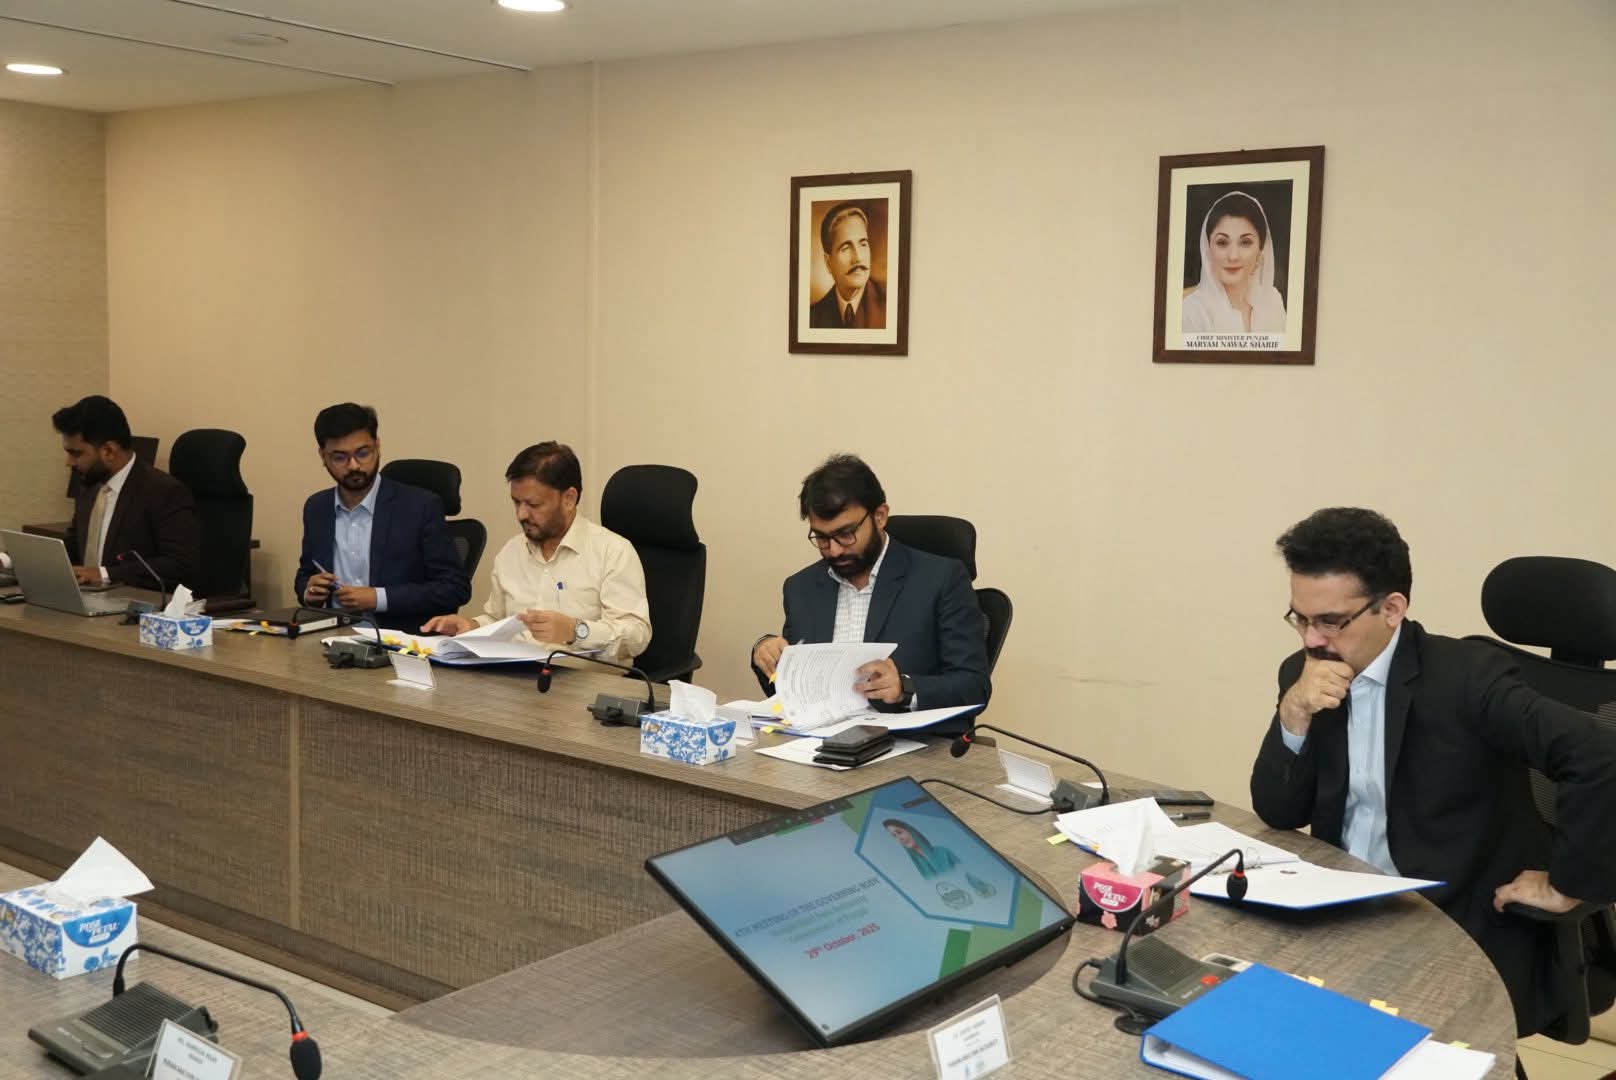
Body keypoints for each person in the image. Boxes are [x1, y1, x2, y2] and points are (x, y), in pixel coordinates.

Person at [1251, 507, 1616, 1036]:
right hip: (1343, 908)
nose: (1311, 639)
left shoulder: (1467, 679)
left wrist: (1568, 884)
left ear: (1392, 608)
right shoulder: (1306, 674)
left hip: (1452, 919)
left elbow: (1601, 753)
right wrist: (1294, 713)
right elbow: (1279, 810)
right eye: (1300, 618)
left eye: (1330, 621)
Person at [749, 454, 990, 718]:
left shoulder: (941, 579)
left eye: (846, 534)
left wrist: (905, 688)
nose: (834, 550)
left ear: (880, 516)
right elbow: (790, 693)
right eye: (822, 537)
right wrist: (767, 654)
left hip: (907, 737)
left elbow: (974, 686)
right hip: (822, 738)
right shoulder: (801, 588)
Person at [421, 442, 650, 663]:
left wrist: (576, 631)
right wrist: (472, 626)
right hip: (515, 677)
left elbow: (636, 636)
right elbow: (497, 620)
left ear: (569, 499)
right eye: (516, 503)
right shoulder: (511, 552)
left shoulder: (612, 551)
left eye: (533, 505)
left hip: (584, 682)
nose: (521, 514)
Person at [293, 404, 469, 633]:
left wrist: (378, 598)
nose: (354, 465)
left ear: (377, 446)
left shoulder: (421, 507)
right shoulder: (317, 508)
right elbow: (306, 573)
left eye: (362, 453)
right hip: (331, 636)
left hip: (398, 639)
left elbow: (454, 588)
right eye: (340, 457)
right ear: (323, 456)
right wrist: (309, 591)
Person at [50, 395, 199, 591]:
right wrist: (17, 561)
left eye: (76, 453)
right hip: (87, 598)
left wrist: (105, 574)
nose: (69, 462)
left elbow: (179, 564)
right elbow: (74, 543)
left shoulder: (164, 492)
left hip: (136, 601)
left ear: (109, 451)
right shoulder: (89, 485)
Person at [1180, 190, 1287, 335]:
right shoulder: (1192, 312)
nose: (1233, 256)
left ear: (1260, 253)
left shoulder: (1273, 300)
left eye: (1245, 242)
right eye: (1222, 243)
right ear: (1208, 251)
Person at [808, 203, 887, 329]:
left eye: (863, 244)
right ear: (828, 263)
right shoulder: (812, 317)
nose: (858, 258)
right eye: (846, 248)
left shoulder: (890, 305)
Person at [885, 819, 960, 880]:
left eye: (899, 832)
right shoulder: (915, 866)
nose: (899, 838)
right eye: (894, 836)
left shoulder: (943, 852)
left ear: (910, 830)